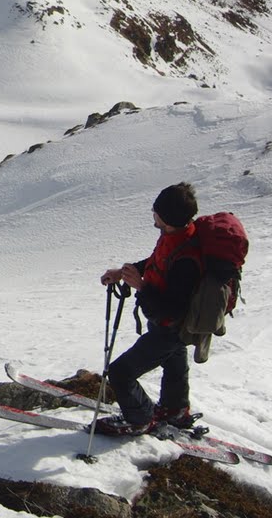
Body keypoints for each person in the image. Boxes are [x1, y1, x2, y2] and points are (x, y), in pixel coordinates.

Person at [97, 182, 200, 435]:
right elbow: (157, 263)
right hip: (168, 327)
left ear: (167, 218)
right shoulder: (175, 236)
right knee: (174, 362)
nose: (152, 213)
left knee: (120, 373)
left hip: (170, 328)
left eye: (156, 211)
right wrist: (124, 273)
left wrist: (141, 287)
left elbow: (173, 308)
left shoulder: (187, 257)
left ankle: (139, 418)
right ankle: (175, 409)